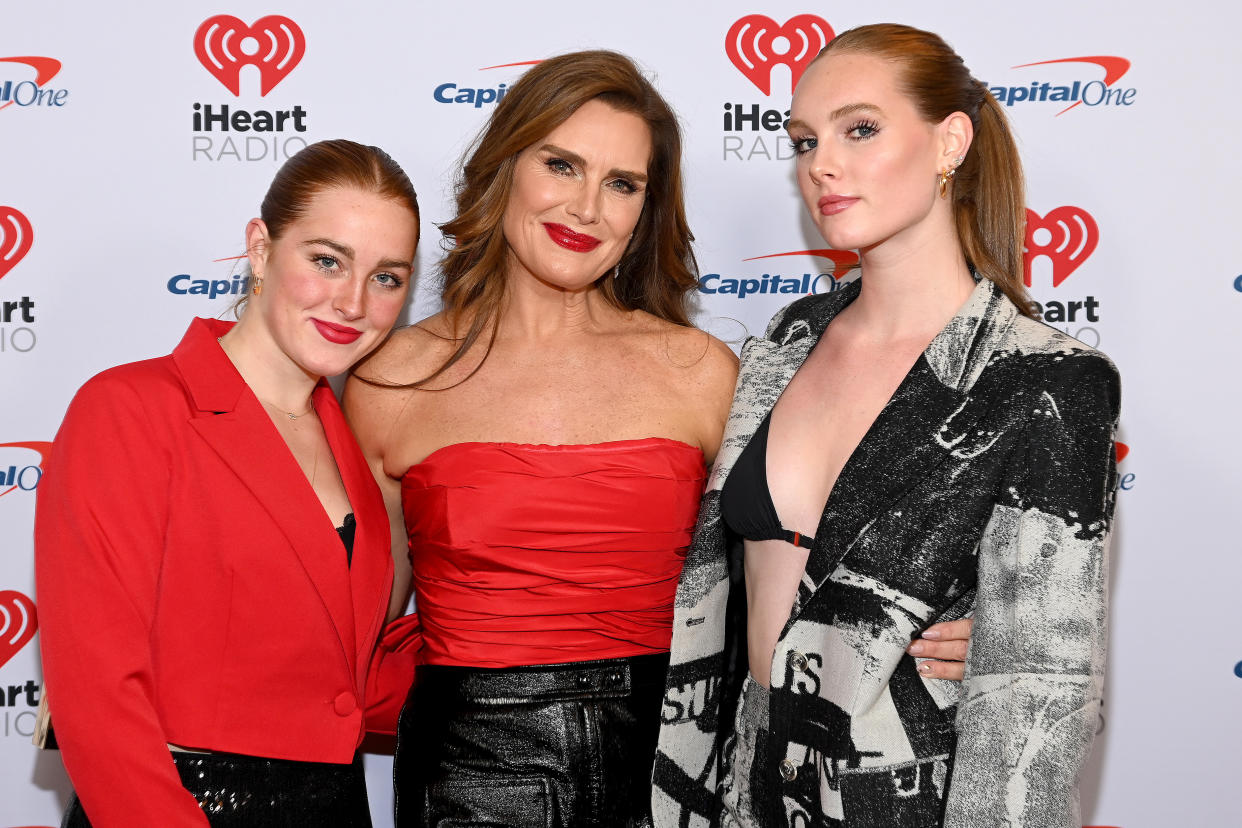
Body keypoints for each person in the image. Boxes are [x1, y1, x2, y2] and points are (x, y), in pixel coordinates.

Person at [347, 50, 972, 828]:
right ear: (503, 167)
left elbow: (806, 571)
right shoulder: (392, 381)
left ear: (647, 207)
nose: (585, 208)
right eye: (561, 165)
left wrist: (962, 631)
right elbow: (346, 633)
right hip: (474, 777)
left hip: (679, 769)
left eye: (622, 184)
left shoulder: (699, 372)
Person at [652, 23, 1119, 828]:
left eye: (859, 129)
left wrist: (1007, 657)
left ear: (951, 142)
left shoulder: (1046, 381)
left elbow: (1034, 712)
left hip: (903, 795)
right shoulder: (786, 343)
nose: (819, 164)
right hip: (745, 779)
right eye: (804, 141)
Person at [35, 139, 422, 827]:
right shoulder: (132, 409)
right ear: (260, 248)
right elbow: (98, 695)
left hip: (336, 807)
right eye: (326, 260)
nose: (353, 302)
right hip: (180, 805)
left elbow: (346, 680)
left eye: (387, 277)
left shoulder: (355, 448)